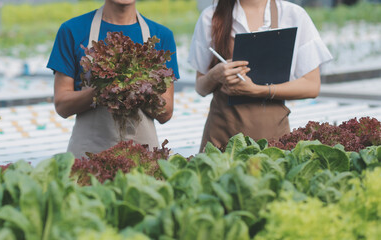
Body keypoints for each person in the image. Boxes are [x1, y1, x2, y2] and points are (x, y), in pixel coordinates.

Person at [188, 0, 332, 151]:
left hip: (274, 142)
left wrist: (259, 90)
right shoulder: (211, 17)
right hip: (223, 139)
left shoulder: (293, 15)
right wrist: (214, 75)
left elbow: (312, 86)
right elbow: (200, 88)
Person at [47, 0, 180, 159]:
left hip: (141, 161)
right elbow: (62, 105)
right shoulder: (72, 31)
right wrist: (101, 91)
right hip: (89, 158)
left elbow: (166, 113)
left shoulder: (161, 35)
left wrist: (136, 88)